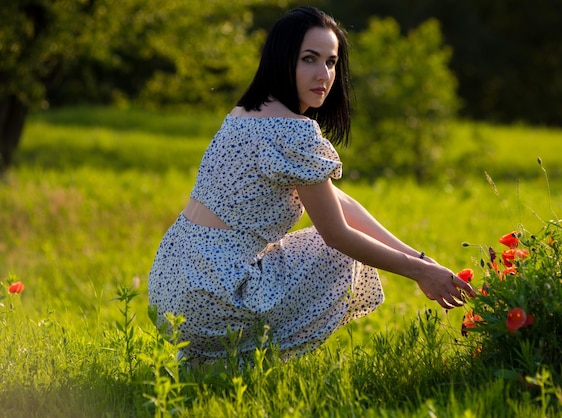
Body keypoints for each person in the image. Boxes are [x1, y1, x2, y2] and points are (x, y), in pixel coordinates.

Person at [148, 6, 475, 364]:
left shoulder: (243, 114)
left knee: (337, 243)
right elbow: (337, 234)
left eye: (332, 62)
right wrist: (420, 273)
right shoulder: (295, 131)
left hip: (169, 282)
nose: (324, 74)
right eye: (309, 59)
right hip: (214, 295)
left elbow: (338, 203)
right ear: (282, 60)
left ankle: (205, 367)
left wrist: (421, 259)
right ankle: (237, 364)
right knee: (340, 254)